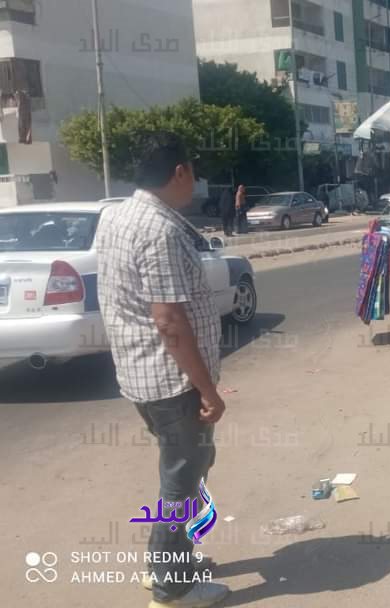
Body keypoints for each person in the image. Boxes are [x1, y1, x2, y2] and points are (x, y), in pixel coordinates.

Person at [95, 132, 230, 607]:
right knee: (182, 480)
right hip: (171, 382)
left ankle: (174, 561)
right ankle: (170, 588)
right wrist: (207, 389)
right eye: (192, 169)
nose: (193, 178)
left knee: (189, 470)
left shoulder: (114, 216)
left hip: (138, 375)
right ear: (179, 172)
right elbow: (169, 321)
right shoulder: (161, 229)